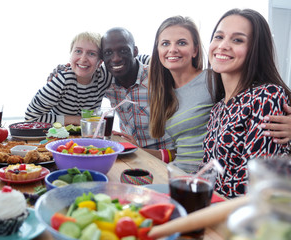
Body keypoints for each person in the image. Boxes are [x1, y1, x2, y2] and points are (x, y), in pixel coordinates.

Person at [203, 8, 291, 199]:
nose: (223, 45)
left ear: (255, 50)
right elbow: (209, 173)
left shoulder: (266, 96)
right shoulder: (218, 108)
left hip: (246, 222)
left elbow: (252, 185)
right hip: (212, 211)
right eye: (219, 37)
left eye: (237, 40)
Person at [147, 16, 212, 171]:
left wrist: (282, 122)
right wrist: (136, 149)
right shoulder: (165, 93)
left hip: (206, 182)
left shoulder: (212, 79)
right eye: (165, 43)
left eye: (181, 43)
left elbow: (256, 99)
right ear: (158, 50)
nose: (172, 49)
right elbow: (181, 152)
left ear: (195, 50)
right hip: (177, 176)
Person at [101, 27, 172, 150]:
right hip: (130, 153)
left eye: (123, 50)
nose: (116, 58)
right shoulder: (106, 83)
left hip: (164, 157)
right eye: (108, 53)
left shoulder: (158, 77)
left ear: (135, 51)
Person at [25, 31, 113, 125]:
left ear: (100, 62)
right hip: (58, 135)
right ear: (70, 55)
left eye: (91, 54)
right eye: (78, 51)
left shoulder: (104, 76)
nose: (83, 59)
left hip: (90, 135)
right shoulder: (62, 80)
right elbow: (30, 117)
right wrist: (76, 120)